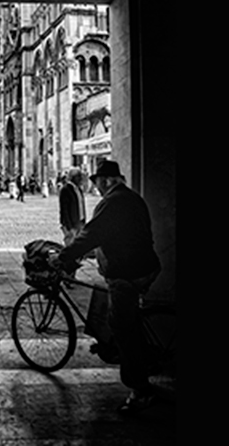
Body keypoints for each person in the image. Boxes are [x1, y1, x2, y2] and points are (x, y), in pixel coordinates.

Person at [52, 160, 161, 414]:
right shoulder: (131, 197)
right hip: (144, 266)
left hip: (128, 272)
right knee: (106, 299)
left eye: (98, 183)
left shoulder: (112, 202)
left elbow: (92, 233)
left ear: (107, 181)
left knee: (123, 329)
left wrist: (64, 256)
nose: (97, 188)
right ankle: (111, 346)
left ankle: (140, 390)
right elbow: (118, 234)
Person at [58, 168, 87, 246]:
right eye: (79, 176)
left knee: (80, 244)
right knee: (71, 245)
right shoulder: (66, 190)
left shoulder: (79, 189)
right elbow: (64, 209)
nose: (81, 179)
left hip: (80, 221)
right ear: (73, 178)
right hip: (71, 223)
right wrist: (68, 226)